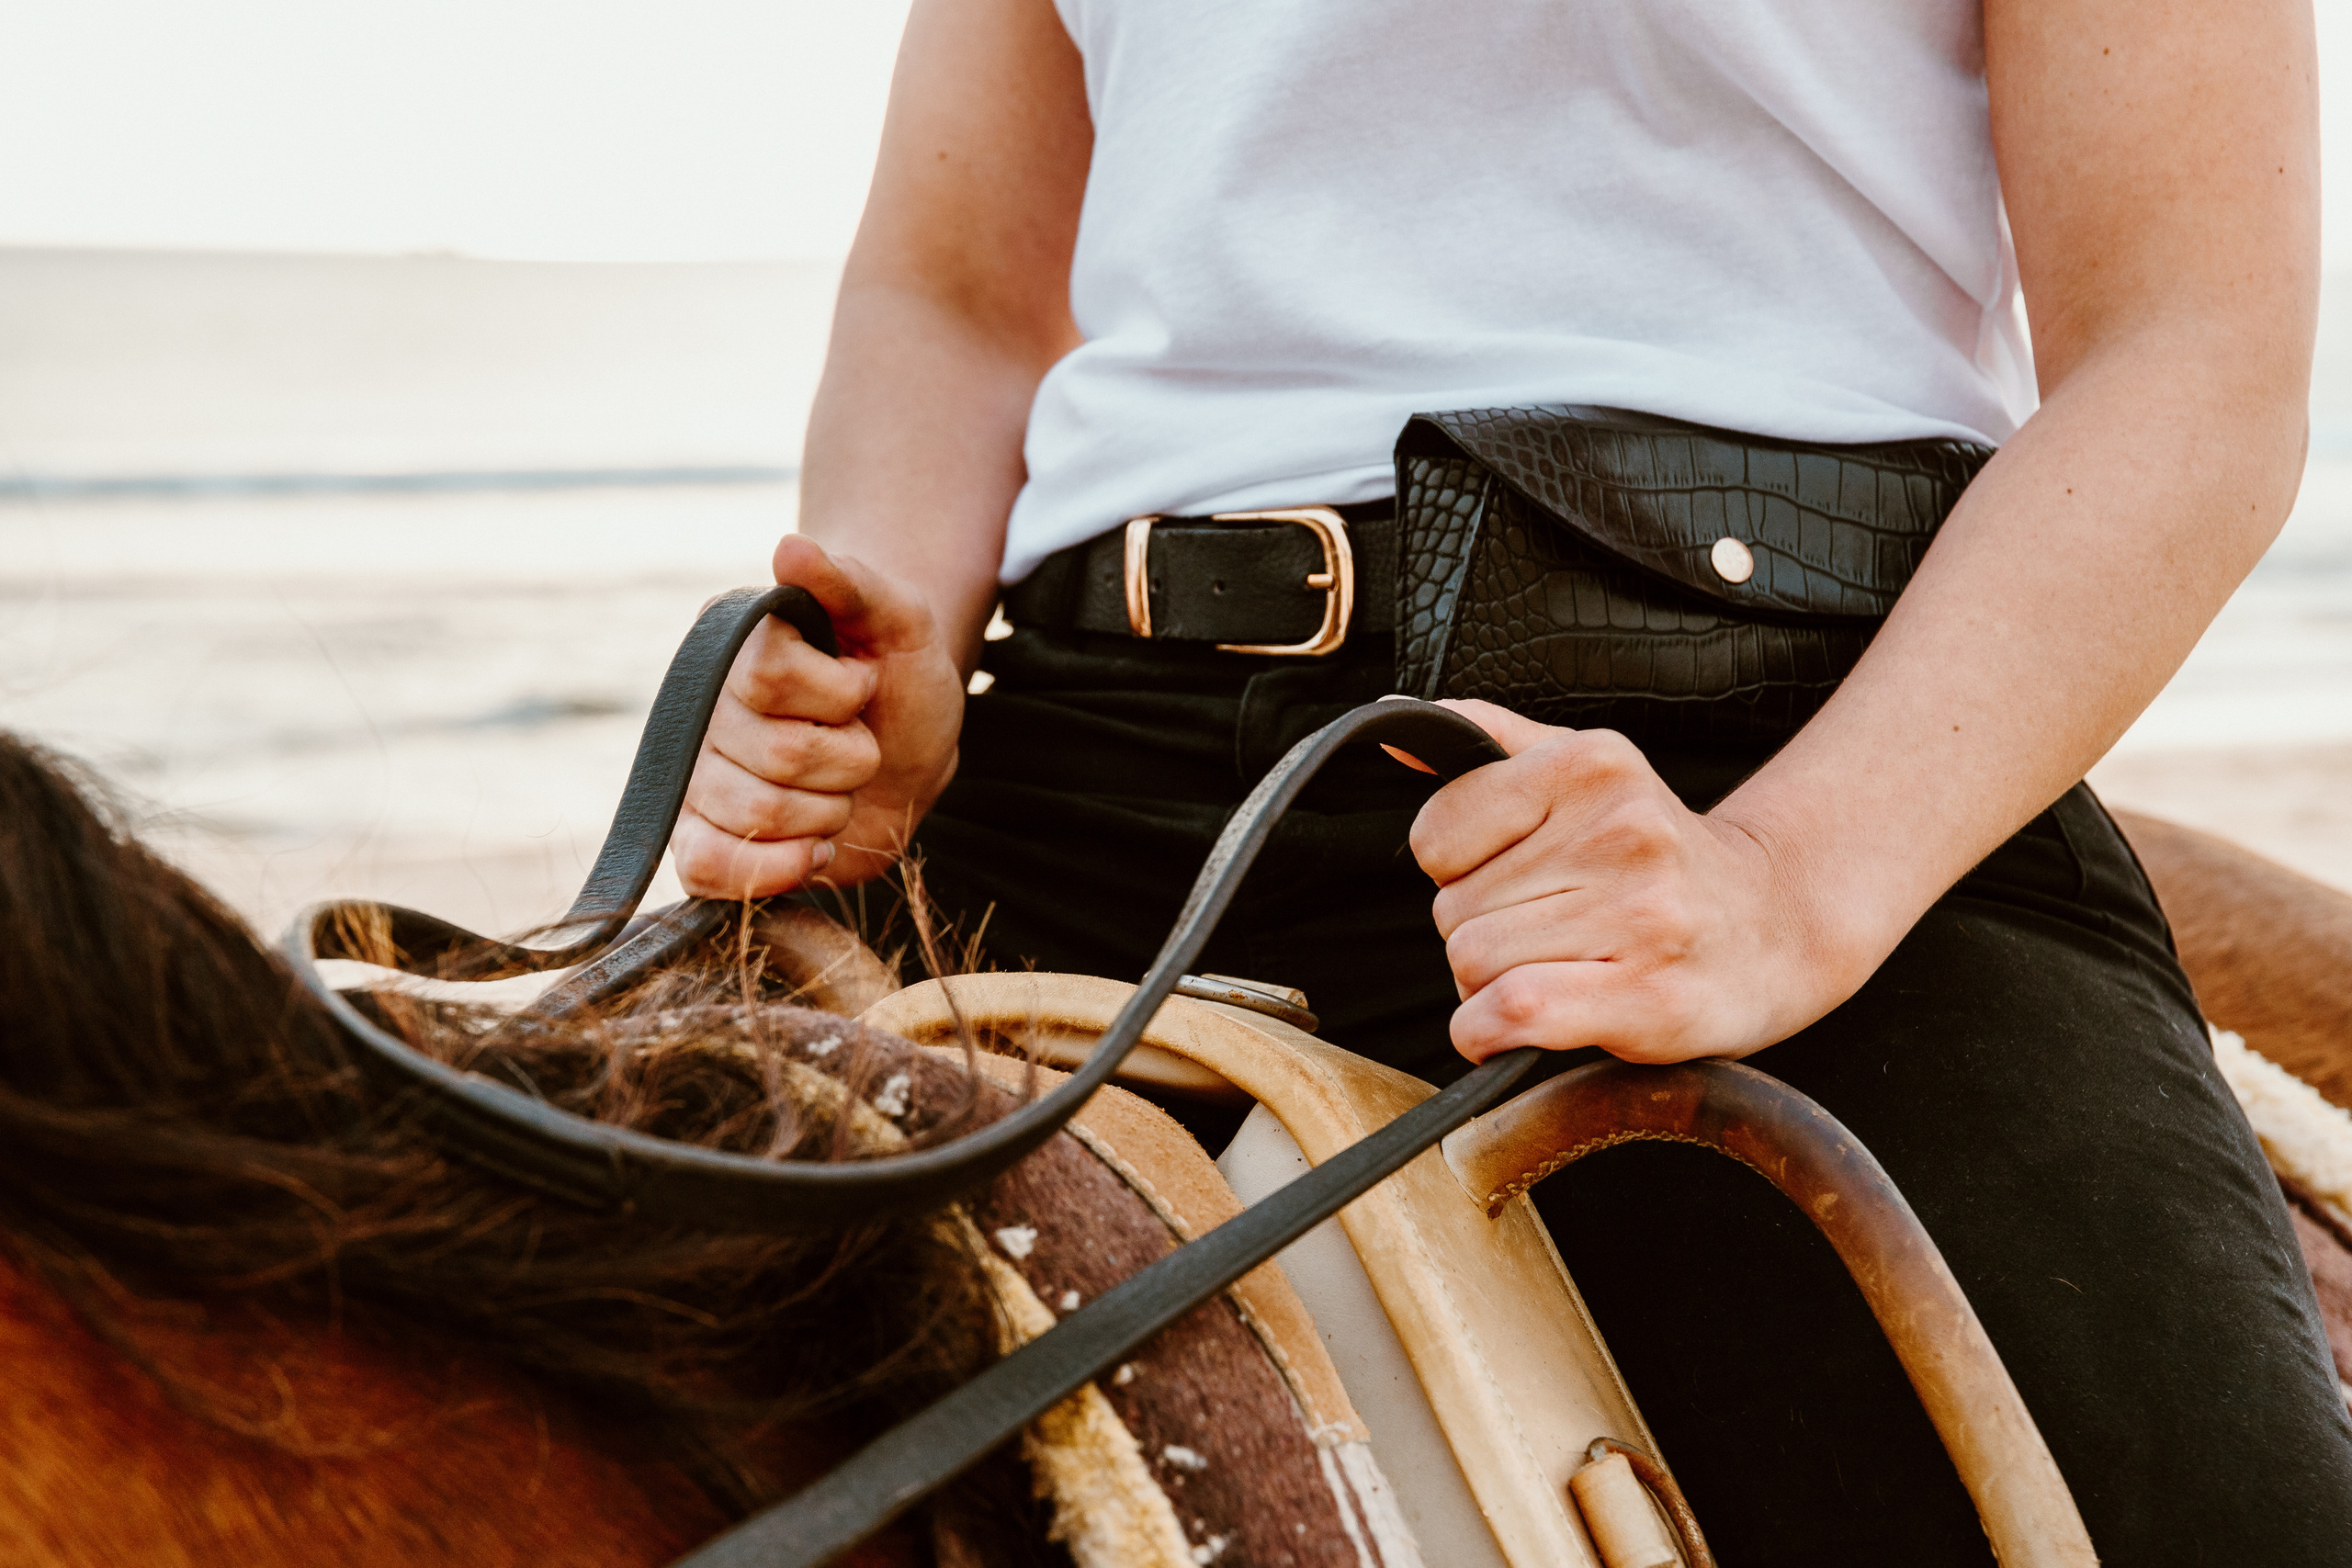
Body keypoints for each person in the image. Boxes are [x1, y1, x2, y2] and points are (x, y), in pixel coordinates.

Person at [673, 0, 2352, 1560]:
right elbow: (955, 294)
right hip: (1070, 743)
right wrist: (882, 661)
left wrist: (1783, 877)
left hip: (1756, 763)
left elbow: (2192, 344)